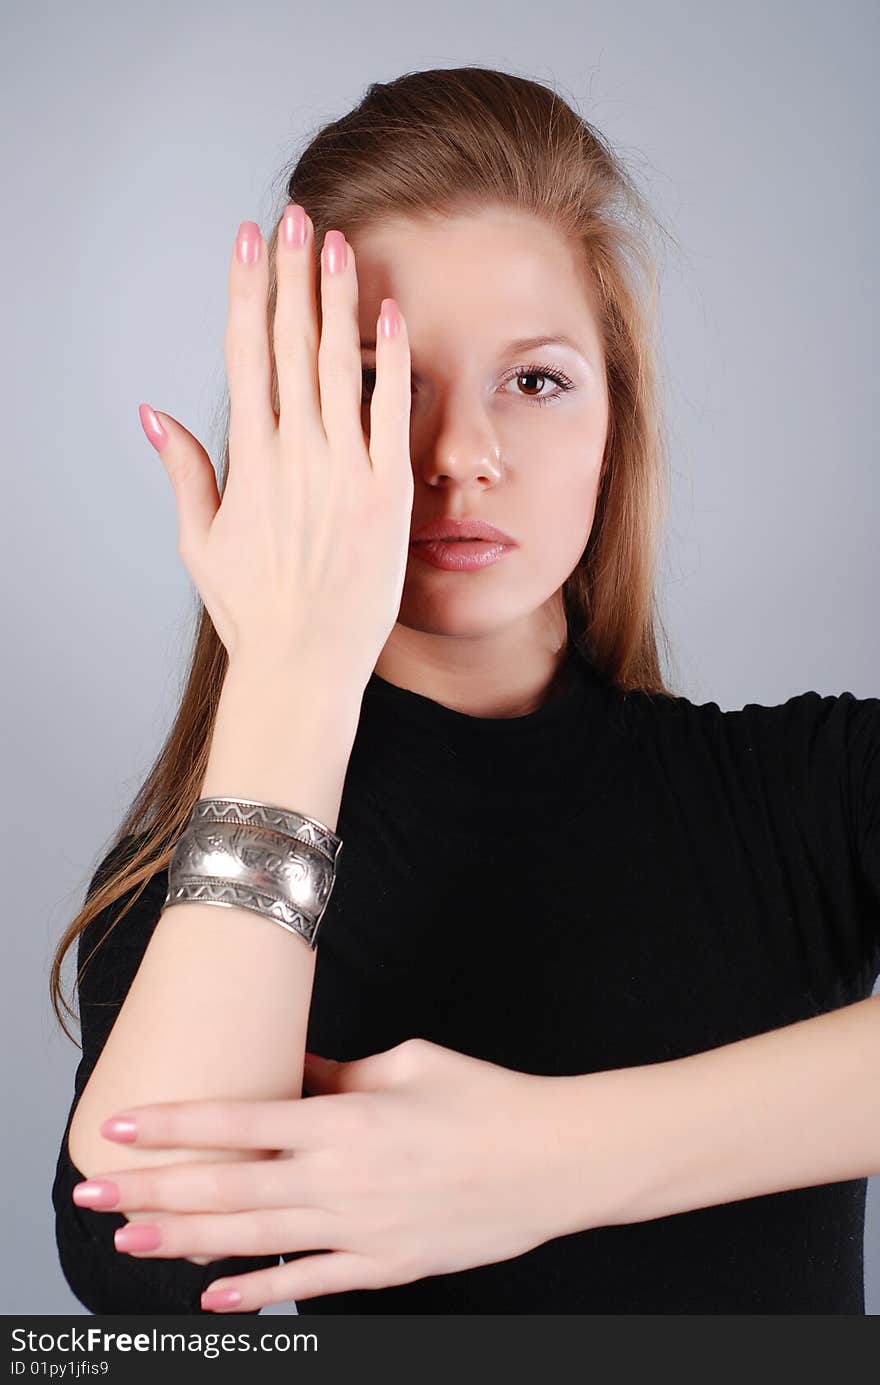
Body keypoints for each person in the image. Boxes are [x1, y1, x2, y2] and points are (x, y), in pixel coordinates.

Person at [50, 65, 880, 1317]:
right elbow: (148, 1264)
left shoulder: (808, 792)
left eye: (534, 380)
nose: (457, 457)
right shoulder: (203, 885)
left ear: (617, 424)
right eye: (383, 387)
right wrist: (287, 669)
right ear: (295, 426)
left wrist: (543, 1161)